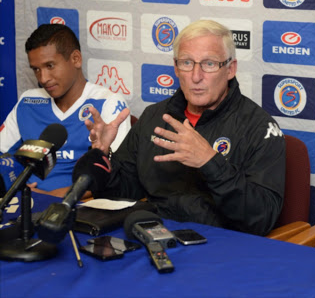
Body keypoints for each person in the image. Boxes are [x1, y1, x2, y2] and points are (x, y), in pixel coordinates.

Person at [86, 20, 286, 236]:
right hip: (156, 238)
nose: (196, 76)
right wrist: (101, 158)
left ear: (230, 69)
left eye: (209, 64)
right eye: (187, 63)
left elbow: (261, 218)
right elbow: (120, 194)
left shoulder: (260, 128)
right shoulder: (155, 117)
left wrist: (210, 161)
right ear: (176, 68)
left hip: (222, 249)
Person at [0, 24, 130, 196]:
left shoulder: (107, 103)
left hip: (79, 208)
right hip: (25, 204)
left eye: (50, 66)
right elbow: (3, 155)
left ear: (76, 59)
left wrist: (44, 197)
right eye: (36, 69)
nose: (43, 78)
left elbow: (114, 177)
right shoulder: (28, 101)